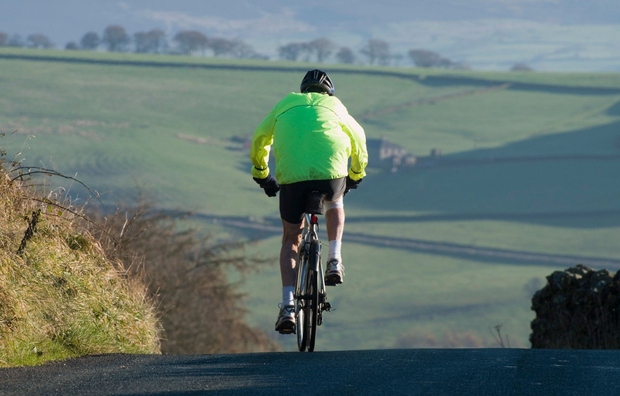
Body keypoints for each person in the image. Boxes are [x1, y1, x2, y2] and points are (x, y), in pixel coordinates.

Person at [250, 69, 368, 334]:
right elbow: (358, 139)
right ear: (328, 92)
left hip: (292, 180)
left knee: (291, 237)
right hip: (330, 176)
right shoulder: (336, 106)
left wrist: (262, 174)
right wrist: (356, 175)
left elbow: (260, 138)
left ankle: (288, 305)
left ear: (304, 91)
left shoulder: (285, 104)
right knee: (335, 202)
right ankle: (335, 259)